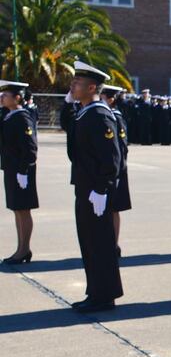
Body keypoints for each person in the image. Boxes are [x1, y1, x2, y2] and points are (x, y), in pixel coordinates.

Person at [62, 61, 123, 313]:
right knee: (89, 242)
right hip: (86, 188)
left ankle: (104, 296)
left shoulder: (99, 114)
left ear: (92, 87)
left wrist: (103, 188)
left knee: (100, 244)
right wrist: (67, 104)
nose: (72, 86)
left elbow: (111, 157)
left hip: (97, 190)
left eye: (77, 83)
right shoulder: (85, 111)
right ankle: (96, 291)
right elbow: (71, 135)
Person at [0, 80, 39, 264]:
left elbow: (30, 148)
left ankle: (24, 249)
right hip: (12, 169)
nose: (2, 97)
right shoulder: (9, 115)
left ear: (17, 98)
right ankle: (21, 248)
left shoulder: (23, 117)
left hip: (21, 171)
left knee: (23, 210)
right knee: (17, 209)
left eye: (5, 95)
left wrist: (24, 171)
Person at [100, 84, 132, 256]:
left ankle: (114, 244)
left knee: (113, 209)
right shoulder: (103, 114)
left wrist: (117, 172)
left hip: (117, 170)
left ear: (111, 99)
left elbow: (122, 146)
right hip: (111, 170)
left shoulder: (116, 117)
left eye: (103, 95)